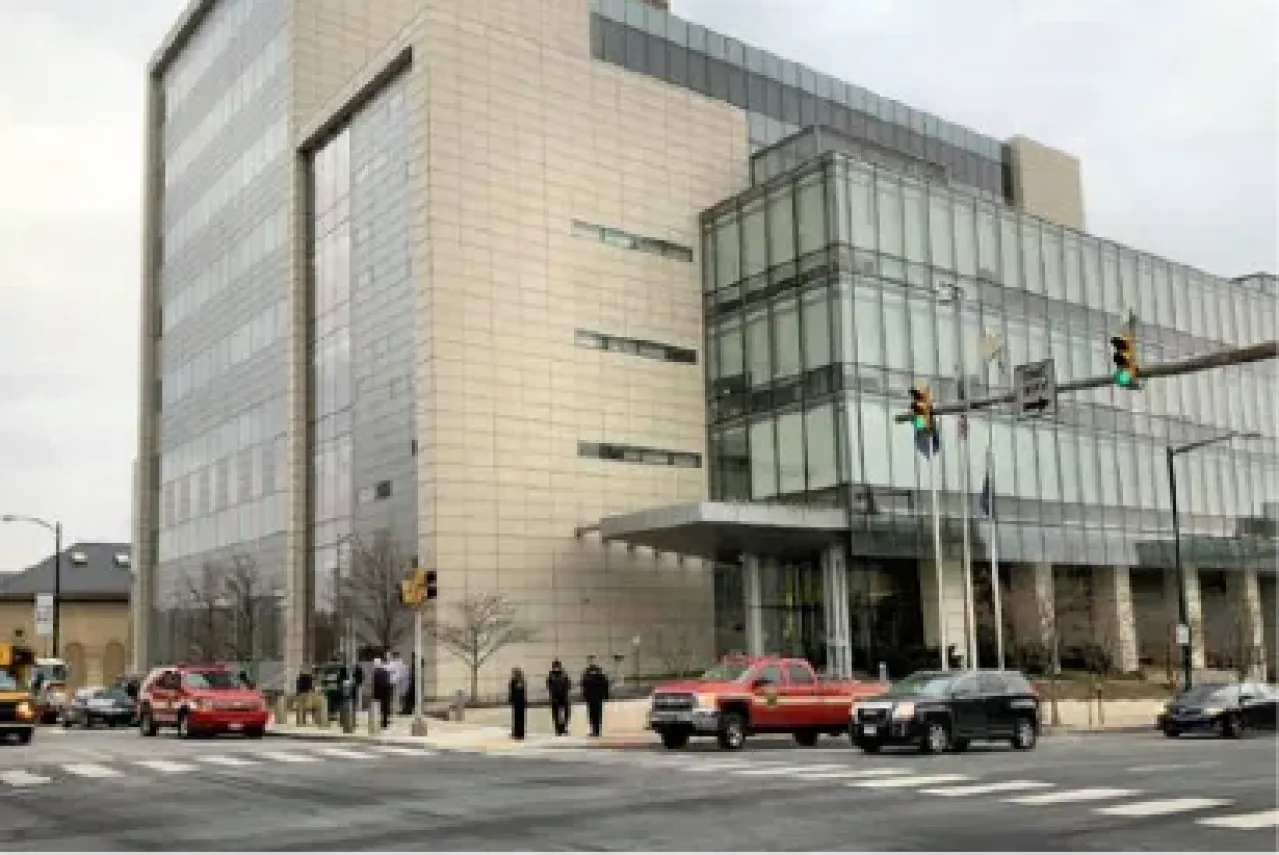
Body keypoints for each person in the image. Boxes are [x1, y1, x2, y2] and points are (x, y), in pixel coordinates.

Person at [580, 655, 610, 738]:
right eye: (590, 660)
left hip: (598, 697)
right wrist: (584, 695)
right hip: (590, 697)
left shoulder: (600, 673)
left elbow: (605, 685)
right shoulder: (586, 673)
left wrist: (605, 696)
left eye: (592, 660)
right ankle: (593, 730)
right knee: (591, 714)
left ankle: (597, 730)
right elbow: (583, 684)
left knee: (598, 714)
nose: (591, 661)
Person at [546, 660, 572, 736]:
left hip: (564, 696)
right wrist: (553, 694)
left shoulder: (564, 675)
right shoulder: (551, 675)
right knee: (556, 714)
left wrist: (565, 691)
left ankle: (563, 728)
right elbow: (549, 686)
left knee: (566, 713)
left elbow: (568, 684)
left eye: (558, 666)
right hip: (555, 697)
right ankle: (558, 730)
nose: (556, 668)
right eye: (555, 666)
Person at [371, 658, 393, 729]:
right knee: (385, 708)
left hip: (378, 692)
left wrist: (373, 694)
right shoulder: (385, 672)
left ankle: (377, 722)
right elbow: (388, 682)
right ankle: (385, 723)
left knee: (377, 709)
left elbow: (375, 684)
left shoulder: (376, 672)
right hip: (386, 692)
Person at [508, 667, 527, 740]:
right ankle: (520, 733)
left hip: (517, 701)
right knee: (521, 717)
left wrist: (511, 699)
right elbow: (524, 692)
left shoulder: (513, 681)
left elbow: (511, 691)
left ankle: (517, 733)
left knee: (517, 718)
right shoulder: (522, 681)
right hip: (521, 701)